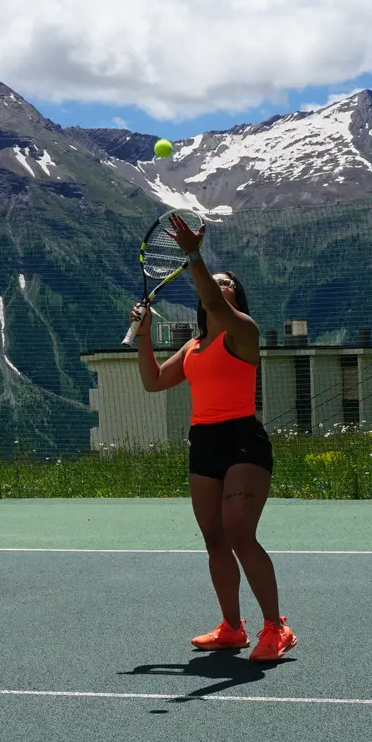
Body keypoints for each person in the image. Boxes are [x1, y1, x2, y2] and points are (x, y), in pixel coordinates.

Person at [130, 213, 296, 661]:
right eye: (216, 283)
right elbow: (153, 382)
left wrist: (193, 255)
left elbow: (214, 304)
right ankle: (232, 628)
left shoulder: (244, 332)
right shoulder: (192, 347)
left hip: (243, 440)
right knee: (214, 539)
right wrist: (144, 335)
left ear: (236, 299)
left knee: (239, 532)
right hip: (203, 442)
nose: (220, 287)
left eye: (227, 285)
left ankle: (276, 627)